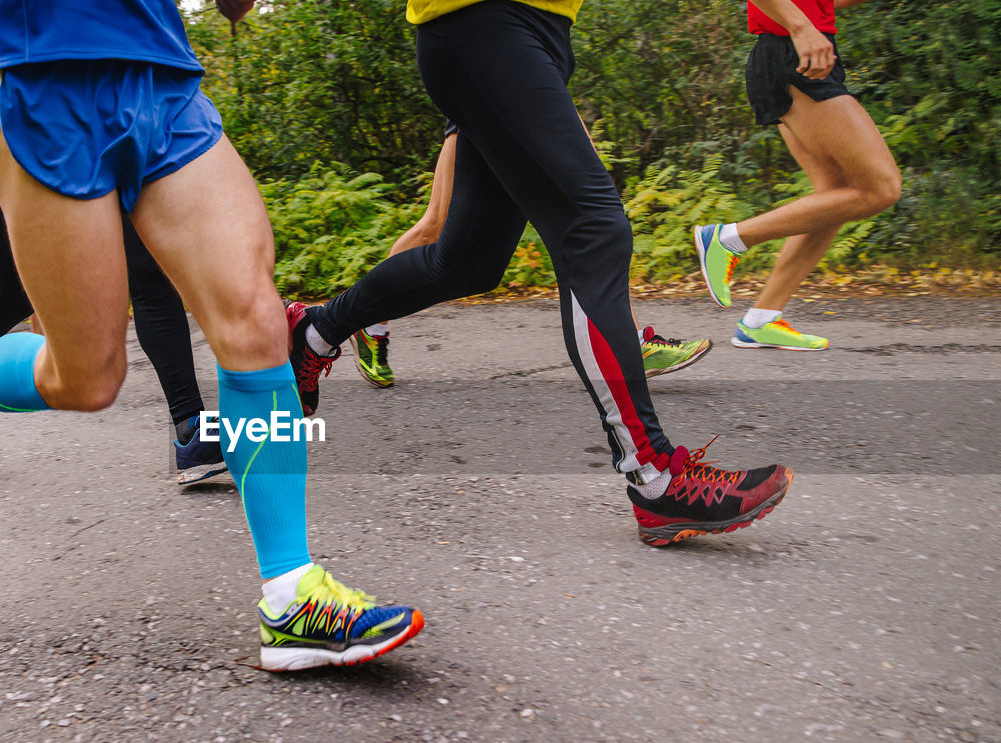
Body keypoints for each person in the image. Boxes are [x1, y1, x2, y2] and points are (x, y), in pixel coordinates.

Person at [0, 0, 423, 670]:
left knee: (256, 317)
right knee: (87, 378)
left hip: (160, 71)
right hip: (39, 65)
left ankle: (291, 597)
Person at [286, 0, 794, 546]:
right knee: (593, 230)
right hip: (483, 24)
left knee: (467, 262)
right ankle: (656, 478)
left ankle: (314, 330)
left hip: (528, 35)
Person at [0, 5, 225, 485]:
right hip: (7, 88)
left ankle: (190, 428)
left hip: (120, 73)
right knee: (17, 289)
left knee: (148, 270)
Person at [350, 124, 712, 388]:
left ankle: (631, 344)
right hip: (483, 95)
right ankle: (369, 324)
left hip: (523, 97)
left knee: (587, 213)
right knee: (436, 225)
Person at [693, 0, 900, 351]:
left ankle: (761, 320)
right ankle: (728, 239)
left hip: (797, 50)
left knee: (835, 197)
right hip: (794, 49)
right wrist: (802, 27)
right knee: (880, 189)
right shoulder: (797, 33)